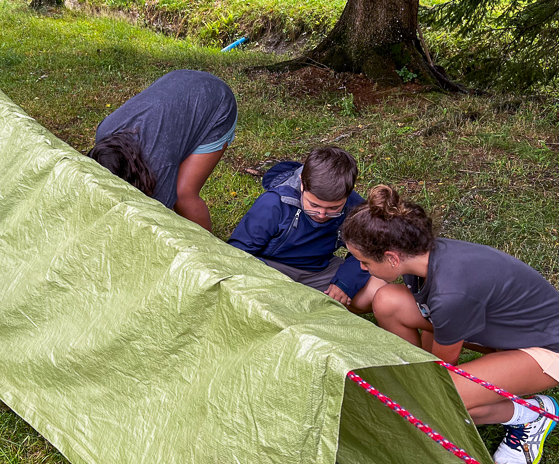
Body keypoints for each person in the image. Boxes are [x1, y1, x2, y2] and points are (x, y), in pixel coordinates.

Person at [340, 185, 559, 464]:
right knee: (387, 300)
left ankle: (532, 415)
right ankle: (416, 380)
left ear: (392, 257)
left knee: (439, 401)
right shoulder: (423, 258)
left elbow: (443, 365)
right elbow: (434, 319)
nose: (363, 268)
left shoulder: (450, 294)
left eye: (365, 261)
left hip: (548, 349)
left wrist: (420, 398)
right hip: (499, 331)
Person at [228, 147, 384, 313]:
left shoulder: (354, 206)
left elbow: (369, 249)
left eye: (333, 208)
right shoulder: (274, 203)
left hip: (318, 270)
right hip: (270, 269)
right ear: (302, 184)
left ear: (348, 193)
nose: (322, 214)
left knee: (378, 288)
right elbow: (239, 252)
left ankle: (320, 311)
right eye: (314, 205)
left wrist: (345, 283)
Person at [89, 69, 237, 231]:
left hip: (216, 101)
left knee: (183, 195)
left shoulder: (158, 168)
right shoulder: (104, 133)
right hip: (180, 79)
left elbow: (155, 227)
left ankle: (209, 253)